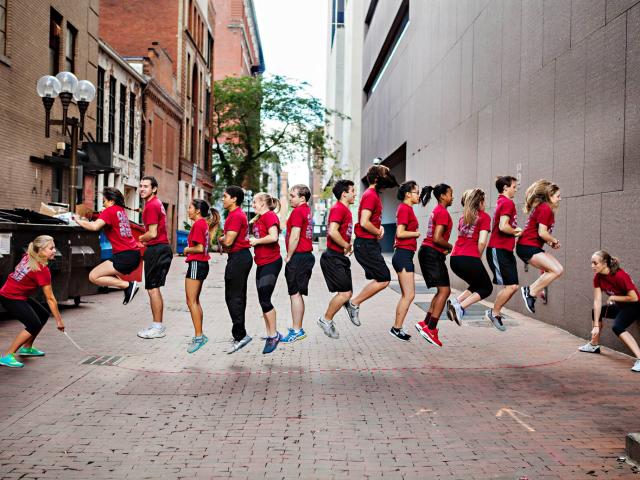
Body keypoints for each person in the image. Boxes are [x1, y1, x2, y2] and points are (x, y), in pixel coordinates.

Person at [344, 165, 398, 326]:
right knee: (384, 278)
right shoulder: (370, 195)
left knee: (380, 277)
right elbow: (364, 222)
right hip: (366, 244)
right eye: (385, 173)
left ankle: (352, 302)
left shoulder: (373, 195)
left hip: (369, 244)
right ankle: (353, 303)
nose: (389, 176)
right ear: (376, 178)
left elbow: (370, 220)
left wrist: (379, 228)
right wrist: (376, 231)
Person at [0, 236, 65, 368]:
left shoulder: (30, 255)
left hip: (17, 294)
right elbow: (50, 298)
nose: (54, 251)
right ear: (40, 250)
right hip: (10, 296)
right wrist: (59, 321)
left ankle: (27, 348)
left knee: (43, 314)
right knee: (33, 324)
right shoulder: (42, 270)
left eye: (54, 247)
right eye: (51, 248)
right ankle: (7, 355)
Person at [75, 187, 141, 305]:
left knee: (93, 276)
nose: (103, 204)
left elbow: (95, 227)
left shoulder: (109, 211)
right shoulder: (120, 211)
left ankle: (127, 285)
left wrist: (77, 220)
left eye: (104, 200)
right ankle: (127, 288)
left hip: (124, 256)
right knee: (105, 273)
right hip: (133, 255)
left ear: (111, 201)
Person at [579, 251, 640, 372]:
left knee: (617, 327)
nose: (592, 266)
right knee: (596, 311)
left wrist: (613, 298)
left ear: (605, 263)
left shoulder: (620, 276)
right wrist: (596, 325)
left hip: (635, 306)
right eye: (591, 263)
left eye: (595, 263)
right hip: (621, 306)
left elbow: (635, 298)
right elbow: (597, 301)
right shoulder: (598, 277)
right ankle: (594, 345)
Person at [516, 180, 563, 314]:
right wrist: (554, 240)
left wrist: (550, 242)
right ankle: (530, 292)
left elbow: (541, 233)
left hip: (531, 246)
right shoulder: (545, 208)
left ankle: (530, 291)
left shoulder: (545, 209)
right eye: (557, 196)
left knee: (558, 270)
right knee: (556, 270)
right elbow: (542, 233)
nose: (560, 198)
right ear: (549, 195)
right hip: (527, 246)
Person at [415, 183, 454, 347]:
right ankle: (431, 329)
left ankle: (426, 323)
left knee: (441, 291)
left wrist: (442, 249)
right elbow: (437, 238)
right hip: (431, 253)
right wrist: (450, 246)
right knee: (445, 291)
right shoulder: (442, 212)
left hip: (429, 252)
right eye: (451, 194)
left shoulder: (437, 211)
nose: (452, 197)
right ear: (443, 196)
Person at [447, 188, 493, 326]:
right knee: (486, 288)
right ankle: (460, 308)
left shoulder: (463, 218)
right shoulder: (484, 217)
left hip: (455, 259)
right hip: (469, 257)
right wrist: (476, 258)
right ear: (480, 202)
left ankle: (456, 302)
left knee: (477, 284)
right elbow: (482, 241)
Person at [317, 179, 355, 339]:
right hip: (332, 257)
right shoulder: (339, 209)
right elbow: (333, 231)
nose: (355, 194)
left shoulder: (345, 210)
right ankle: (325, 320)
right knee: (345, 294)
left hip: (338, 256)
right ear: (344, 193)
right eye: (352, 191)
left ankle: (332, 316)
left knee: (347, 293)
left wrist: (347, 245)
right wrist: (346, 245)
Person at [137, 176, 173, 339]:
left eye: (146, 186)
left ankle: (158, 327)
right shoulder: (155, 204)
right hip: (160, 248)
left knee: (153, 288)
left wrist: (140, 238)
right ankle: (156, 325)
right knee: (153, 288)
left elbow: (152, 233)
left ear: (154, 189)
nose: (142, 189)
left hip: (158, 250)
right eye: (140, 186)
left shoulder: (151, 206)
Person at [219, 186, 254, 354]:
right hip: (239, 257)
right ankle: (239, 334)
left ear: (234, 199)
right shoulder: (236, 215)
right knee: (235, 296)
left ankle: (241, 336)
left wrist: (220, 238)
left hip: (239, 258)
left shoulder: (235, 216)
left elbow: (228, 242)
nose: (222, 199)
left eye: (225, 196)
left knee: (234, 297)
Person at [485, 176, 522, 331]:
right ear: (506, 187)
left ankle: (495, 312)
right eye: (514, 186)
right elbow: (503, 226)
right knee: (512, 286)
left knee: (511, 286)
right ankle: (494, 312)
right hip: (498, 249)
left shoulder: (502, 201)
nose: (516, 189)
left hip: (504, 250)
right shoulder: (507, 202)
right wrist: (516, 232)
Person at [183, 199, 219, 354]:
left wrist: (186, 249)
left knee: (191, 302)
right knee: (195, 301)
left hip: (197, 264)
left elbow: (198, 248)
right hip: (201, 265)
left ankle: (199, 337)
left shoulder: (199, 224)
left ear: (197, 210)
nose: (188, 210)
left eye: (190, 207)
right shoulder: (202, 223)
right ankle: (199, 335)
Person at [249, 192, 283, 354]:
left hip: (271, 262)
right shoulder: (260, 219)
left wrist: (257, 241)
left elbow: (274, 237)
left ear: (263, 203)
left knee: (265, 299)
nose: (252, 204)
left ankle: (273, 335)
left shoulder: (269, 216)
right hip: (261, 262)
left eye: (254, 201)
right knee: (263, 300)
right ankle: (271, 333)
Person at [280, 184, 315, 343]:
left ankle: (297, 330)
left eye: (293, 196)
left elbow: (294, 236)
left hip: (299, 257)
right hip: (305, 256)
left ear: (302, 198)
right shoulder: (306, 210)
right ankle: (297, 327)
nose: (290, 198)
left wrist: (288, 256)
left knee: (295, 294)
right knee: (297, 294)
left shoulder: (297, 212)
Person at [390, 181, 421, 342]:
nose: (419, 195)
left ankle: (397, 328)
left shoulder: (408, 209)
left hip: (405, 255)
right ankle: (396, 328)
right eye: (416, 192)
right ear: (408, 194)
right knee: (409, 295)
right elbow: (400, 233)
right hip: (402, 254)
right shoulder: (404, 209)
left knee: (407, 295)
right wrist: (415, 234)